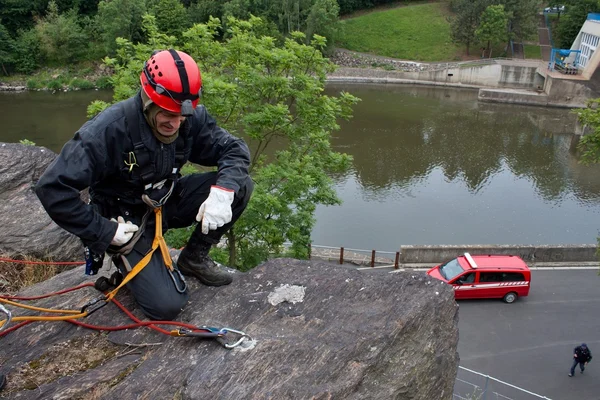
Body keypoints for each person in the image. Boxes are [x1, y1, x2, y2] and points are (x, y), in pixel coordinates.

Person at [35, 49, 253, 321]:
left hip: (166, 199)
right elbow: (52, 188)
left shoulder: (189, 118)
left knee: (240, 185)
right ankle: (127, 262)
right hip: (125, 221)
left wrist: (223, 191)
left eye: (182, 116)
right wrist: (104, 230)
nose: (175, 124)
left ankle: (194, 258)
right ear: (148, 98)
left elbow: (234, 149)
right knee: (167, 305)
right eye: (167, 115)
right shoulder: (108, 131)